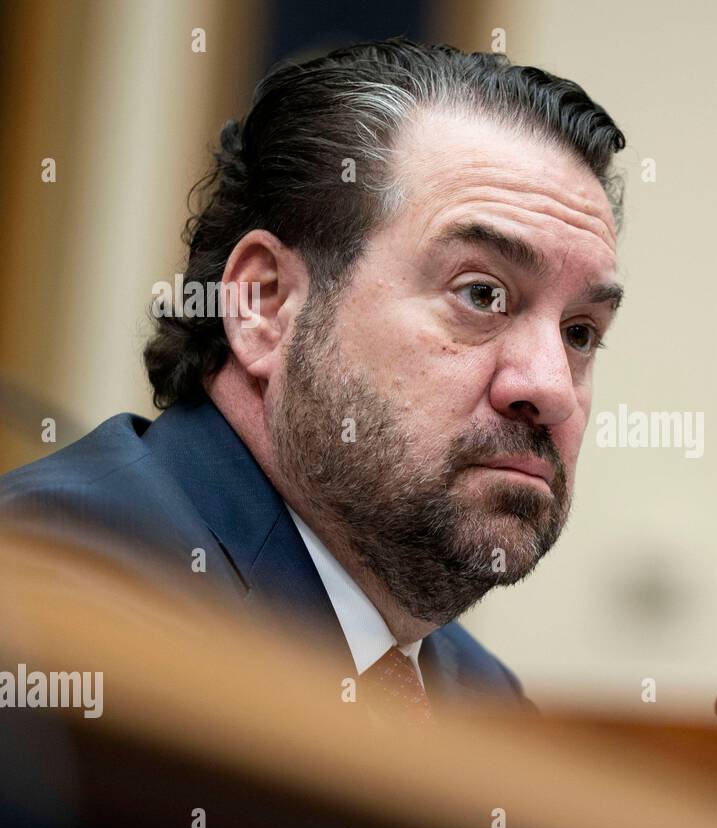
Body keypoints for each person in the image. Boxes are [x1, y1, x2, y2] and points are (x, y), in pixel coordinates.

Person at [0, 39, 627, 720]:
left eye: (579, 334)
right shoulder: (55, 588)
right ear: (266, 304)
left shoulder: (484, 702)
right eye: (481, 293)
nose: (552, 387)